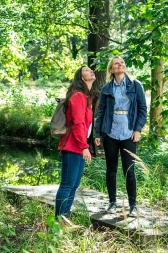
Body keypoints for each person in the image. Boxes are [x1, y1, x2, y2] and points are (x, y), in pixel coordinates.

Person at [94, 56, 147, 217]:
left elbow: (143, 110)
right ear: (111, 69)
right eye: (117, 63)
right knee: (111, 169)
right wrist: (98, 133)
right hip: (110, 132)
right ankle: (112, 202)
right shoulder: (107, 89)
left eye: (123, 62)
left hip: (129, 133)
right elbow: (101, 112)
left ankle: (132, 205)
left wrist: (138, 129)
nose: (121, 64)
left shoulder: (135, 85)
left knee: (129, 170)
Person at [55, 66, 96, 218]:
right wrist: (84, 146)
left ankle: (65, 217)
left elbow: (87, 125)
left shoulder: (87, 97)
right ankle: (58, 220)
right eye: (86, 70)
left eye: (91, 69)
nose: (90, 70)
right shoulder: (78, 96)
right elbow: (78, 123)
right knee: (67, 185)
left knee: (73, 186)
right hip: (73, 146)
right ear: (80, 77)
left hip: (79, 146)